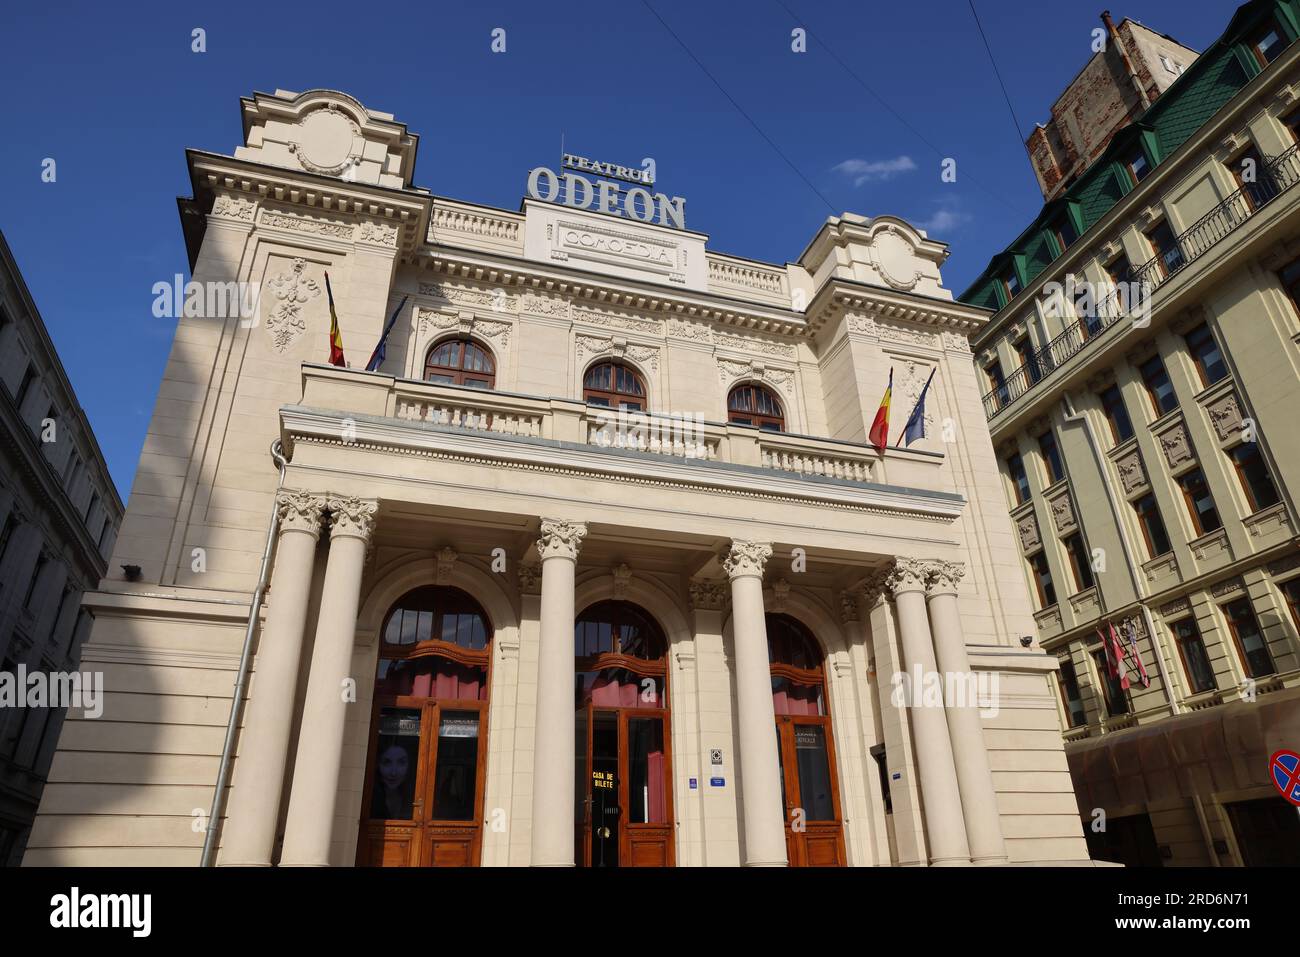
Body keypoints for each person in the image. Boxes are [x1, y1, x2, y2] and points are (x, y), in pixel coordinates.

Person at [371, 740, 415, 819]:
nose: (393, 773)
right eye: (387, 763)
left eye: (401, 762)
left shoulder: (413, 797)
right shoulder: (370, 798)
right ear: (377, 765)